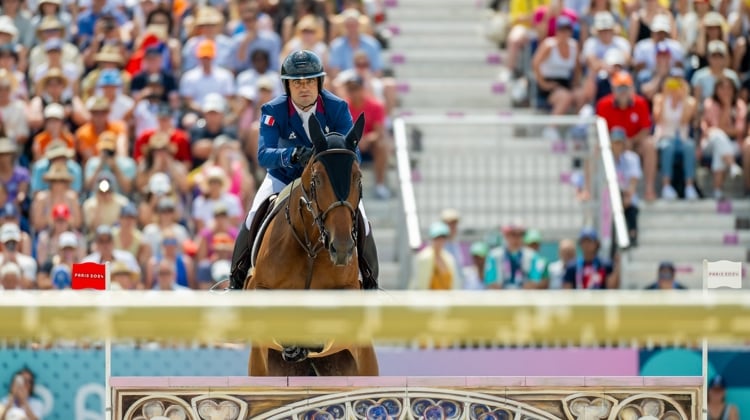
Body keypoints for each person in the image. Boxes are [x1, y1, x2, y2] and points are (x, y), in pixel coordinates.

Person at [229, 50, 379, 291]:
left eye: (310, 81)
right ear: (288, 86)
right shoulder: (273, 110)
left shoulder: (338, 107)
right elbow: (263, 155)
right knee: (252, 217)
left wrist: (331, 156)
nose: (304, 88)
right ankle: (236, 281)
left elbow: (354, 153)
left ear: (319, 82)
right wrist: (292, 155)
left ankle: (370, 283)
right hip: (284, 178)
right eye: (297, 83)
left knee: (362, 220)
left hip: (329, 183)